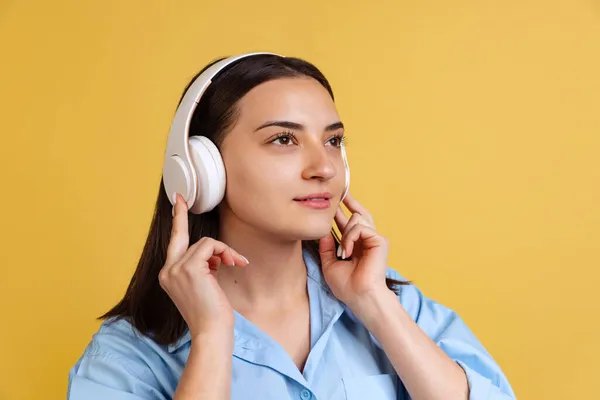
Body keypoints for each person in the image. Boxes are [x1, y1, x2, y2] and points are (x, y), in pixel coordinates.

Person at [67, 52, 516, 400]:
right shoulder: (127, 356)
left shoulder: (399, 307)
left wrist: (375, 305)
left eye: (333, 140)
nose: (323, 166)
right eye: (284, 139)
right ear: (202, 168)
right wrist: (211, 338)